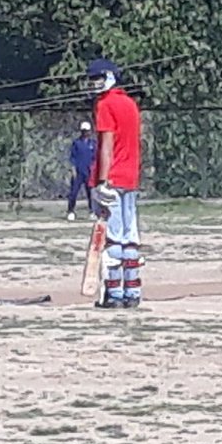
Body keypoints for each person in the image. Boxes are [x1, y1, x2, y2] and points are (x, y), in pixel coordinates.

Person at [87, 58, 144, 308]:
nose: (93, 83)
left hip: (112, 176)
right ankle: (133, 292)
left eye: (98, 77)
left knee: (112, 237)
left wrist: (102, 181)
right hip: (131, 176)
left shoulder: (105, 103)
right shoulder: (131, 104)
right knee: (130, 236)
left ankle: (114, 294)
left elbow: (107, 144)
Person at [66, 121, 97, 221]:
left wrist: (94, 170)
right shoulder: (77, 143)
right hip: (78, 172)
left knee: (91, 193)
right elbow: (73, 157)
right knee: (73, 192)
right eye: (84, 131)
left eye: (87, 131)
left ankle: (92, 211)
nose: (85, 133)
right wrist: (73, 169)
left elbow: (95, 158)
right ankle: (71, 211)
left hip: (89, 172)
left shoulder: (93, 144)